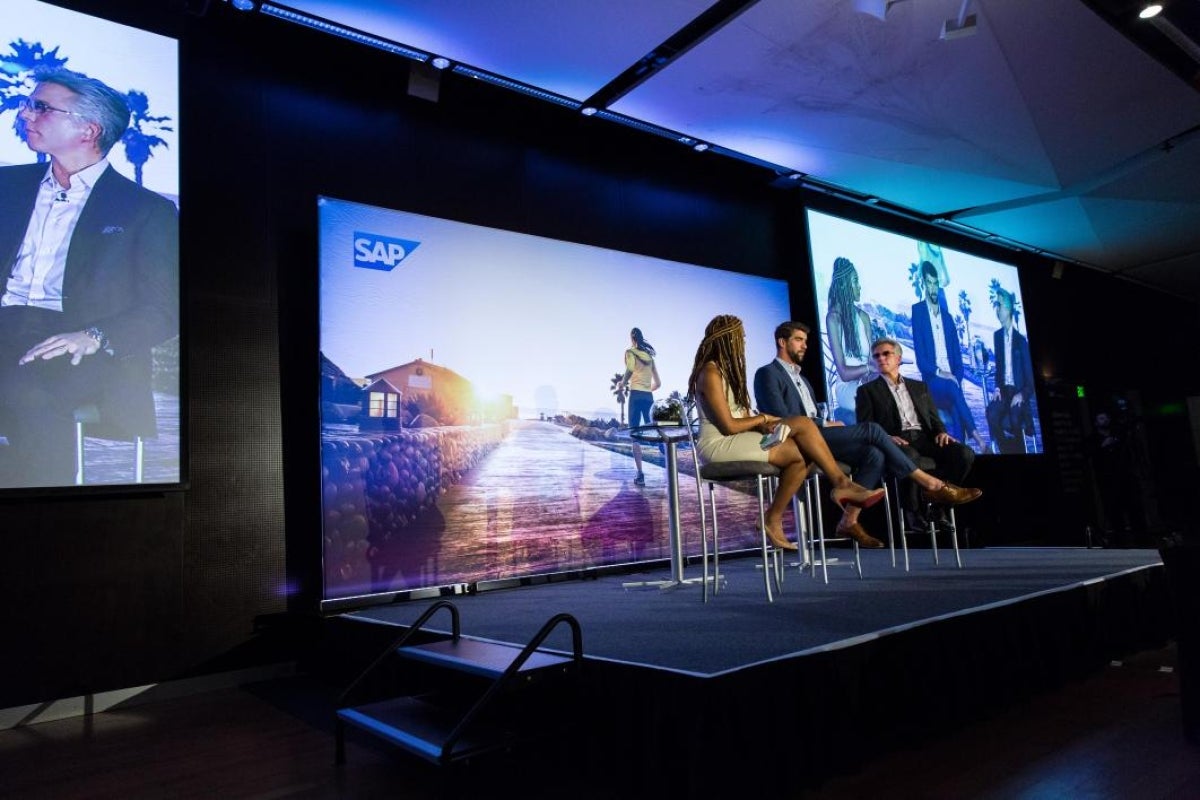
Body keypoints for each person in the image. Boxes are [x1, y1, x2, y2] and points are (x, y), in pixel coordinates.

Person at [0, 68, 178, 487]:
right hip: (5, 326)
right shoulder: (6, 186)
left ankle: (41, 526)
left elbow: (163, 309)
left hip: (82, 345)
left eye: (41, 107)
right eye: (28, 104)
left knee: (26, 394)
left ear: (88, 130)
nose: (26, 114)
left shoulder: (145, 210)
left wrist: (94, 335)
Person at [754, 321, 981, 547]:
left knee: (875, 455)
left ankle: (849, 520)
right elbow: (782, 418)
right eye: (798, 340)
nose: (804, 346)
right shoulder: (767, 374)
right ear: (782, 342)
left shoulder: (802, 379)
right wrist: (825, 422)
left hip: (817, 438)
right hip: (796, 441)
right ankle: (932, 485)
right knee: (872, 429)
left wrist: (824, 423)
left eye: (805, 341)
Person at [687, 314, 887, 552]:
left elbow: (737, 418)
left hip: (739, 438)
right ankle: (840, 485)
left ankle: (773, 517)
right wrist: (763, 418)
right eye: (739, 338)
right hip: (719, 444)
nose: (743, 343)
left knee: (802, 449)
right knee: (802, 424)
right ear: (726, 339)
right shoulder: (710, 372)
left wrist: (760, 425)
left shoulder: (723, 372)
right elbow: (728, 426)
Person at [856, 337, 982, 526]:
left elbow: (933, 418)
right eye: (876, 356)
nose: (881, 358)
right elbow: (865, 426)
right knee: (910, 456)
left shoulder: (919, 386)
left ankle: (939, 504)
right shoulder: (867, 391)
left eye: (886, 354)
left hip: (925, 438)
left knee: (964, 454)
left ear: (898, 358)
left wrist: (941, 432)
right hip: (896, 441)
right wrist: (886, 437)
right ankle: (912, 512)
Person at [910, 260, 987, 452]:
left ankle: (961, 452)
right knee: (953, 391)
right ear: (924, 284)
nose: (933, 288)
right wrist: (944, 375)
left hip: (951, 385)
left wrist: (956, 379)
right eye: (929, 283)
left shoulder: (947, 318)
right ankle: (978, 439)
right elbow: (921, 362)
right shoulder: (917, 312)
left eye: (936, 283)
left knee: (955, 402)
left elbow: (958, 362)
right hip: (932, 382)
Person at [824, 257, 874, 425]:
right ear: (844, 284)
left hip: (867, 381)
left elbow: (873, 360)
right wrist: (868, 369)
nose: (859, 286)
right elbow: (844, 373)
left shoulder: (864, 317)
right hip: (847, 387)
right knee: (873, 397)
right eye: (855, 281)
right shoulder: (834, 319)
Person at [985, 288, 1035, 453]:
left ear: (1008, 308)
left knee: (1011, 419)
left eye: (999, 305)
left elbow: (1030, 380)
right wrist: (998, 387)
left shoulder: (1021, 342)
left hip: (1018, 392)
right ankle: (1007, 452)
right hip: (1004, 391)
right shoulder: (997, 336)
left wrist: (1021, 395)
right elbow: (1000, 368)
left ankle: (1017, 452)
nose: (997, 309)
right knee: (991, 412)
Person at [621, 327, 660, 486]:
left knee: (635, 436)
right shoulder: (650, 358)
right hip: (648, 396)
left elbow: (630, 369)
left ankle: (640, 474)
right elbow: (658, 383)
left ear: (632, 338)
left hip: (636, 396)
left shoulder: (630, 352)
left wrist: (622, 383)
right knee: (657, 432)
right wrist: (646, 390)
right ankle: (668, 456)